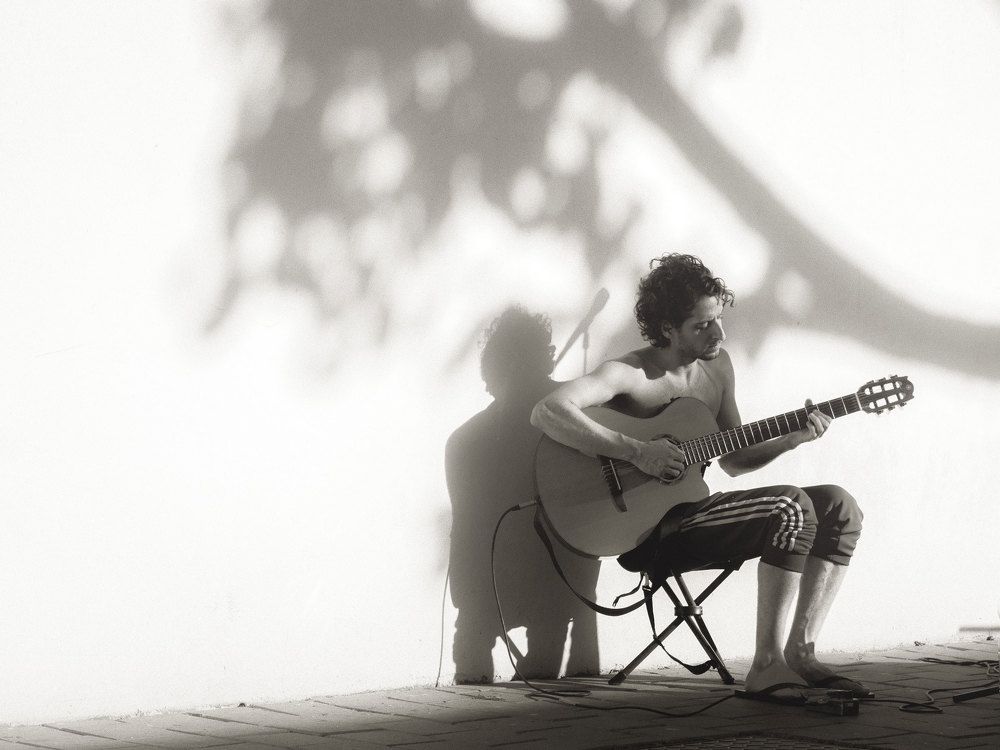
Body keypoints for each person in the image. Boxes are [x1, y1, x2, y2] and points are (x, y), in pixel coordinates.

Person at [529, 253, 867, 700]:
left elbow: (733, 458)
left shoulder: (718, 368)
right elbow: (548, 411)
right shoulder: (631, 372)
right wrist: (637, 451)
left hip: (694, 512)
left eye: (719, 320)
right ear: (668, 328)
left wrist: (793, 438)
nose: (718, 334)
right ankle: (766, 665)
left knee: (839, 507)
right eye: (702, 325)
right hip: (651, 532)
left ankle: (801, 653)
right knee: (789, 507)